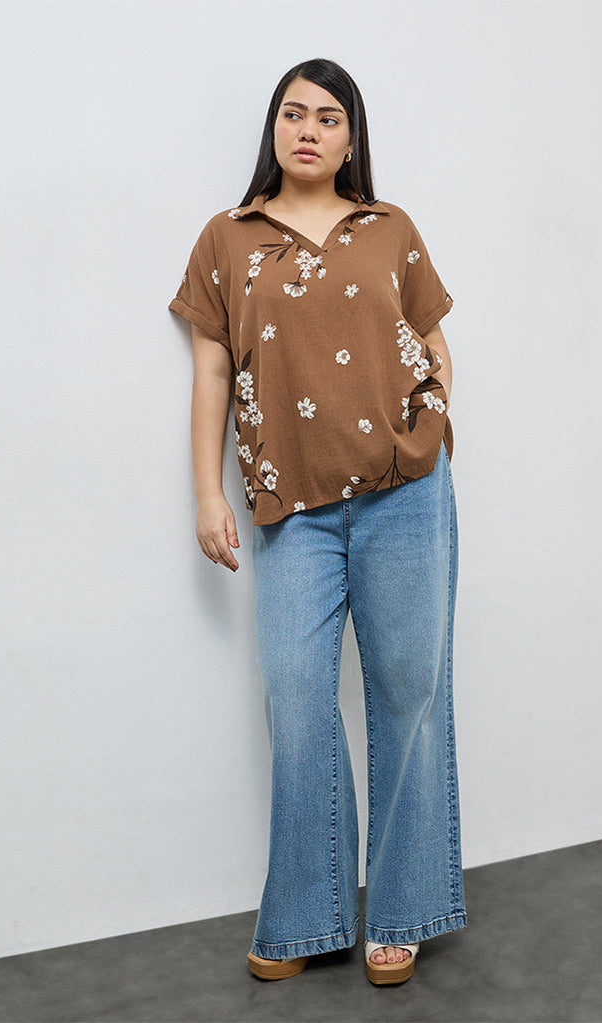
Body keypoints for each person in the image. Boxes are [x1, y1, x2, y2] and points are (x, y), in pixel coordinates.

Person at [168, 57, 467, 987]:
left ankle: (403, 910)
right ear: (274, 128)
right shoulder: (227, 237)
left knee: (409, 689)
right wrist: (207, 493)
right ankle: (307, 915)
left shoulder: (390, 229)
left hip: (403, 492)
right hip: (289, 504)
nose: (308, 129)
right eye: (293, 113)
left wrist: (426, 426)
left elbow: (434, 343)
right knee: (296, 695)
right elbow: (211, 370)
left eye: (328, 117)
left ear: (350, 138)